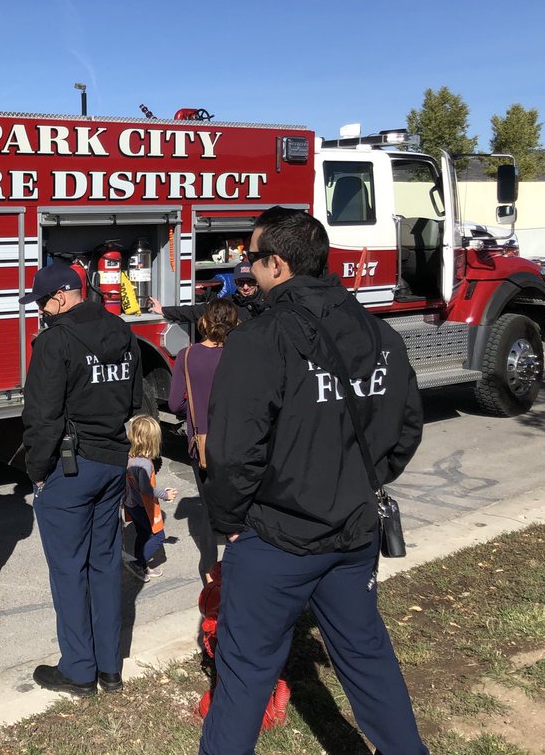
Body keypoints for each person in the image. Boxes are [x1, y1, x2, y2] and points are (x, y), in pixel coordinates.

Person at [199, 206, 426, 754]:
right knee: (367, 656)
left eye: (250, 258)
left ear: (276, 264)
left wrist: (231, 524)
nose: (245, 267)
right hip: (354, 533)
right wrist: (355, 483)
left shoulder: (259, 339)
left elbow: (232, 454)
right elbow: (406, 428)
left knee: (245, 673)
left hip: (276, 539)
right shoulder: (378, 332)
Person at [21, 261, 143, 697]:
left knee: (69, 571)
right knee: (106, 566)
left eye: (41, 302)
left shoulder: (56, 342)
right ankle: (110, 668)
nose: (40, 310)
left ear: (60, 297)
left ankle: (78, 670)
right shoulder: (121, 330)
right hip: (113, 463)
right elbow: (135, 400)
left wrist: (37, 474)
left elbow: (41, 417)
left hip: (71, 469)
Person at [167, 297, 239, 585]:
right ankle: (239, 563)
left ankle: (211, 572)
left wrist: (193, 413)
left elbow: (174, 404)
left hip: (202, 442)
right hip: (237, 440)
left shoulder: (187, 356)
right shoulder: (241, 354)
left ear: (205, 322)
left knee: (209, 510)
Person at [122, 414, 175, 582]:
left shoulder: (131, 457)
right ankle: (138, 563)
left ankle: (142, 565)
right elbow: (146, 489)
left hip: (132, 504)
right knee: (158, 536)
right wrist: (165, 495)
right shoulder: (144, 463)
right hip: (142, 507)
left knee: (143, 534)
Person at [147, 261, 266, 329]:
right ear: (235, 283)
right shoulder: (229, 304)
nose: (245, 287)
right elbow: (196, 311)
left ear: (257, 282)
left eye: (250, 282)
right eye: (241, 283)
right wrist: (164, 310)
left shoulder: (269, 301)